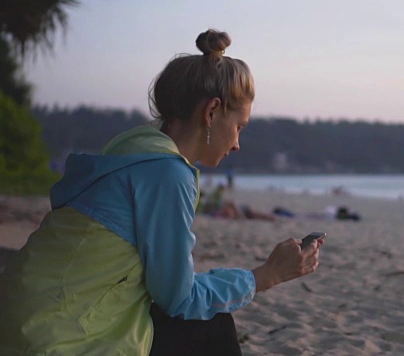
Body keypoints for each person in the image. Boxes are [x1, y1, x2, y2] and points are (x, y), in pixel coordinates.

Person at [0, 29, 323, 355]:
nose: (238, 144)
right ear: (211, 112)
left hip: (21, 323)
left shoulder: (130, 151)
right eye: (239, 126)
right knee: (211, 326)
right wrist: (266, 275)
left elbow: (166, 288)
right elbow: (180, 298)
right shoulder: (168, 174)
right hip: (54, 342)